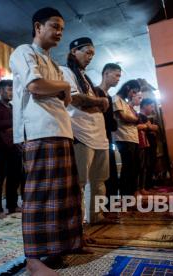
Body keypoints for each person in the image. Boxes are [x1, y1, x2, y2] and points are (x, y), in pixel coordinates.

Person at [9, 7, 83, 276]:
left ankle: (61, 245)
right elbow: (36, 87)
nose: (59, 32)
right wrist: (61, 87)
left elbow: (66, 99)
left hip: (61, 129)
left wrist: (60, 88)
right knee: (40, 195)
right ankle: (33, 259)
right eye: (54, 26)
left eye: (62, 28)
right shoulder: (23, 52)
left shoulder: (53, 63)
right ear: (38, 26)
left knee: (64, 194)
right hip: (38, 129)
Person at [60, 37, 110, 224]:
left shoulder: (85, 78)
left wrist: (96, 103)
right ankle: (76, 225)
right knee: (79, 182)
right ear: (74, 51)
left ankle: (96, 216)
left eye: (92, 54)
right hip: (80, 133)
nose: (90, 57)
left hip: (98, 134)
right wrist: (100, 102)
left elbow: (88, 101)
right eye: (87, 52)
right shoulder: (65, 71)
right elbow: (75, 99)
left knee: (100, 180)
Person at [0, 79, 22, 219]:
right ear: (0, 90)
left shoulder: (14, 108)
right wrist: (15, 122)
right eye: (8, 89)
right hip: (1, 148)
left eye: (13, 89)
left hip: (16, 148)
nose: (11, 92)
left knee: (15, 178)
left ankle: (12, 206)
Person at [94, 63, 121, 204]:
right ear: (106, 74)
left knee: (110, 171)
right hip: (96, 137)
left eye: (119, 76)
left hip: (107, 138)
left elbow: (111, 123)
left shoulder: (109, 97)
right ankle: (103, 206)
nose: (118, 79)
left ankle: (111, 204)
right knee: (99, 175)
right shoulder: (95, 92)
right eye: (116, 75)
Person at [112, 80, 141, 196]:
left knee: (134, 166)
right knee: (128, 166)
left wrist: (134, 119)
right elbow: (123, 117)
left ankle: (132, 191)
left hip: (132, 137)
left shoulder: (124, 102)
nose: (133, 95)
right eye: (133, 92)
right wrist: (136, 120)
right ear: (127, 87)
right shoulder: (116, 98)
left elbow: (132, 116)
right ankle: (125, 194)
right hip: (123, 137)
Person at [137, 98, 159, 192]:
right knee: (146, 164)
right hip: (144, 143)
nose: (153, 108)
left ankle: (149, 185)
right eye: (151, 106)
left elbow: (156, 127)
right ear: (145, 105)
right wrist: (150, 127)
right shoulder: (139, 116)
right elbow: (145, 127)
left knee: (151, 163)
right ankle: (144, 186)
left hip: (151, 143)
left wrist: (151, 127)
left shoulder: (148, 117)